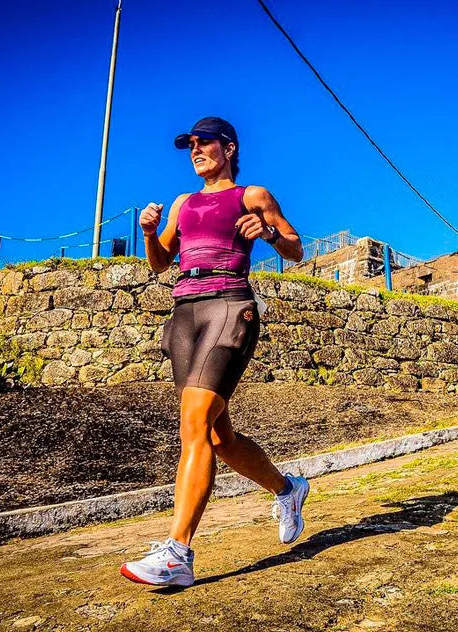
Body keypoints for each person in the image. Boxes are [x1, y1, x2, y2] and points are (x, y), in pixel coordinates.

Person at [120, 117, 308, 587]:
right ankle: (288, 489)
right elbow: (161, 264)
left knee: (193, 424)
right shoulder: (184, 204)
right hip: (185, 312)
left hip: (229, 305)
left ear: (229, 148)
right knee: (216, 437)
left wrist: (266, 234)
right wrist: (149, 232)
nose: (196, 150)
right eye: (190, 145)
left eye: (204, 143)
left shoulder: (252, 196)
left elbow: (296, 249)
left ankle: (178, 552)